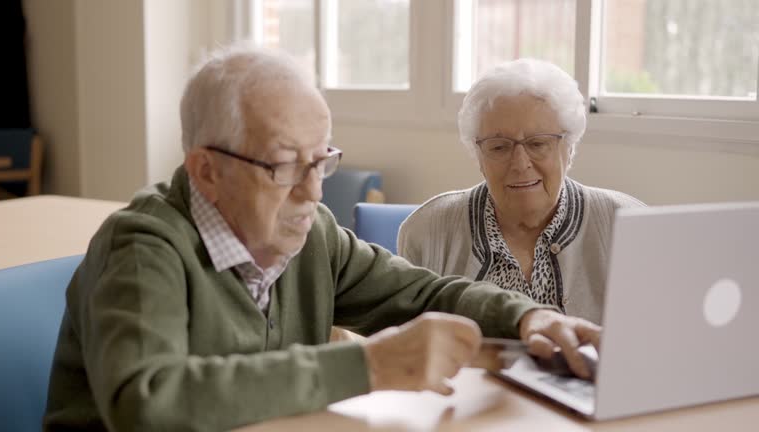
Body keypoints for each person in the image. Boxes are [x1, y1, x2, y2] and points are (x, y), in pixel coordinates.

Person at [44, 47, 601, 432]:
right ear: (207, 171)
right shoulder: (142, 248)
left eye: (322, 160)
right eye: (287, 165)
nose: (313, 192)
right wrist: (370, 366)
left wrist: (529, 318)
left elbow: (422, 294)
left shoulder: (311, 235)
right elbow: (148, 402)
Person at [398, 59, 644, 325]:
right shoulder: (427, 232)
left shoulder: (629, 224)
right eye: (499, 147)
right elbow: (407, 352)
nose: (520, 164)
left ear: (570, 148)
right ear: (479, 156)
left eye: (538, 144)